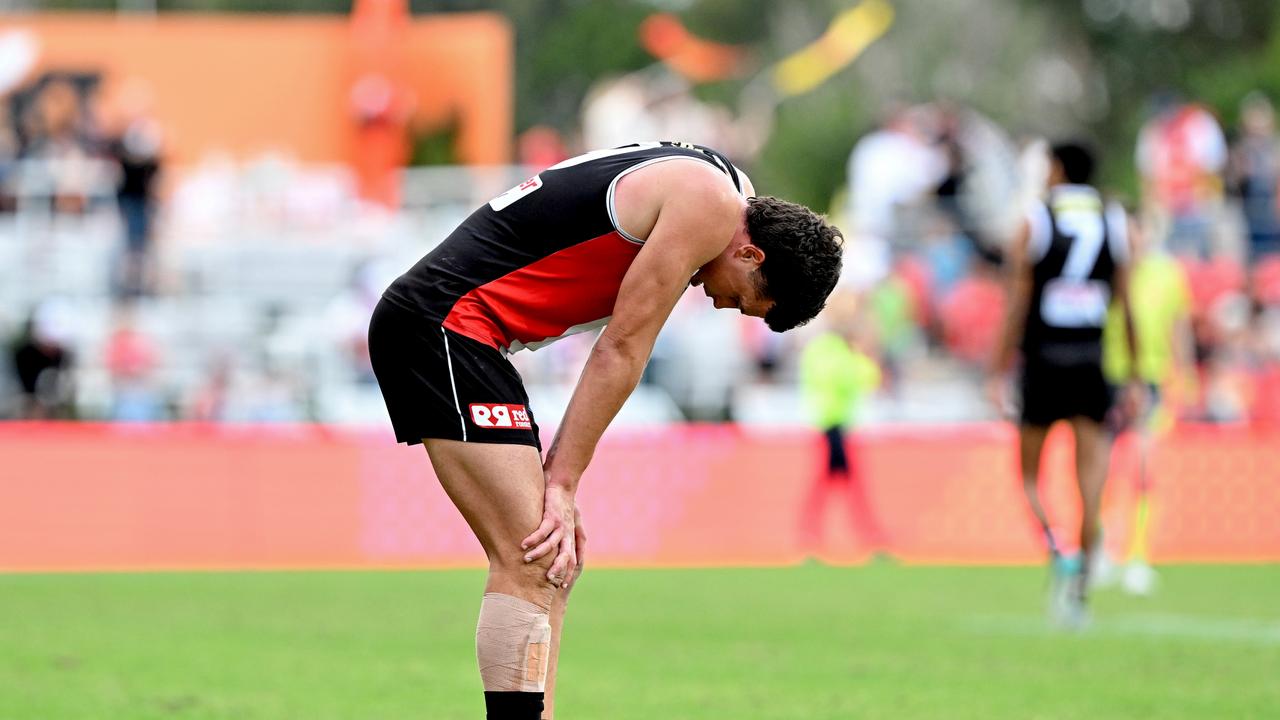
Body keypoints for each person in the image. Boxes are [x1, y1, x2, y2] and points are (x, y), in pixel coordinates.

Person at [367, 141, 843, 719]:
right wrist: (562, 484)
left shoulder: (719, 184)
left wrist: (564, 481)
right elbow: (622, 348)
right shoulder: (709, 205)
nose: (720, 306)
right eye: (741, 300)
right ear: (750, 253)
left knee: (554, 563)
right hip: (445, 322)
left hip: (470, 333)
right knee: (534, 556)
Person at [987, 141, 1140, 628]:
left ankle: (1059, 552)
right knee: (1092, 480)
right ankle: (1080, 590)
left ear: (1055, 169)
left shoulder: (1035, 218)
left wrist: (997, 367)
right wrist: (1134, 371)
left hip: (1043, 361)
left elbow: (1017, 300)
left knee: (1031, 476)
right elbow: (1126, 302)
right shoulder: (1115, 220)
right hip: (1093, 359)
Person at [1101, 211, 1194, 596]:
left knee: (1142, 467)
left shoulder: (1167, 273)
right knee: (1103, 469)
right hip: (1109, 377)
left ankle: (1138, 557)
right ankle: (1104, 551)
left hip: (1151, 379)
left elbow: (1178, 325)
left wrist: (1185, 374)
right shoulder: (1105, 272)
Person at [797, 289, 887, 558]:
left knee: (834, 483)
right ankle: (866, 535)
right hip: (831, 425)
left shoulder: (826, 348)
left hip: (836, 425)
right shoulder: (831, 350)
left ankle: (814, 535)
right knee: (844, 484)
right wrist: (863, 355)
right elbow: (857, 378)